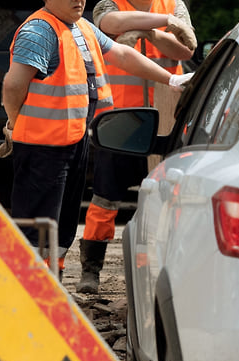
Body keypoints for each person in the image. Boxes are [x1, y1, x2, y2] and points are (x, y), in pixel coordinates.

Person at [0, 0, 193, 282]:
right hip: (42, 147)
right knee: (39, 230)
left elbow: (123, 55)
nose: (78, 0)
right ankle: (30, 290)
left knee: (62, 225)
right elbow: (13, 85)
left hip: (72, 140)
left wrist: (171, 80)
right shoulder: (40, 31)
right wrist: (16, 123)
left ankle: (52, 285)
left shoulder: (81, 27)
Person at [78, 0, 195, 294]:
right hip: (119, 119)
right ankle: (91, 269)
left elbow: (184, 50)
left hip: (166, 117)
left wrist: (150, 33)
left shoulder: (174, 4)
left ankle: (166, 269)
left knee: (168, 196)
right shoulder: (108, 4)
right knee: (105, 197)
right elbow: (110, 25)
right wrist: (161, 23)